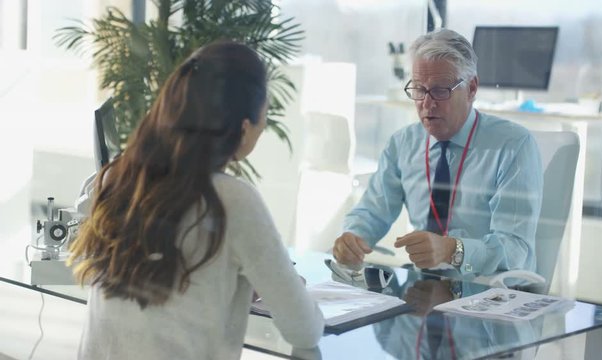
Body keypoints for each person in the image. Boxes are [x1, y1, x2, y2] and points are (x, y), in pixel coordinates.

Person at [69, 41, 324, 359]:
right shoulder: (234, 200)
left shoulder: (114, 178)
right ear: (244, 128)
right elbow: (305, 330)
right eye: (264, 117)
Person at [332, 28, 543, 277]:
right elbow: (372, 211)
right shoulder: (403, 143)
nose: (427, 103)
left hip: (489, 289)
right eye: (419, 90)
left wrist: (452, 249)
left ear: (472, 89)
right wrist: (353, 238)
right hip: (425, 287)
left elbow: (516, 250)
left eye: (441, 90)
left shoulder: (512, 146)